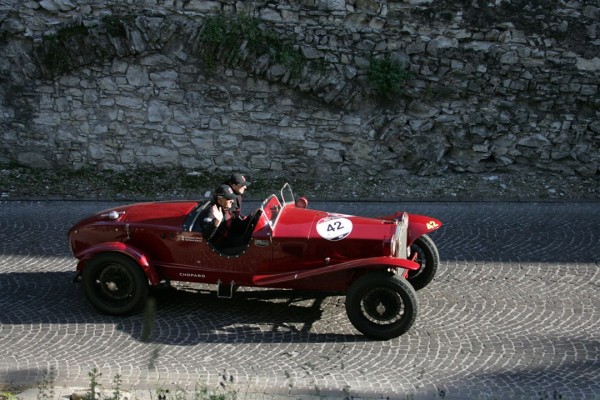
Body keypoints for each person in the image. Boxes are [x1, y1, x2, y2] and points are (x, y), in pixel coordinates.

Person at [197, 184, 238, 250]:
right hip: (221, 246)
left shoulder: (225, 206)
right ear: (220, 200)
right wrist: (216, 222)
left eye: (232, 198)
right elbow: (205, 235)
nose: (232, 201)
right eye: (229, 198)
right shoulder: (212, 212)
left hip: (228, 237)